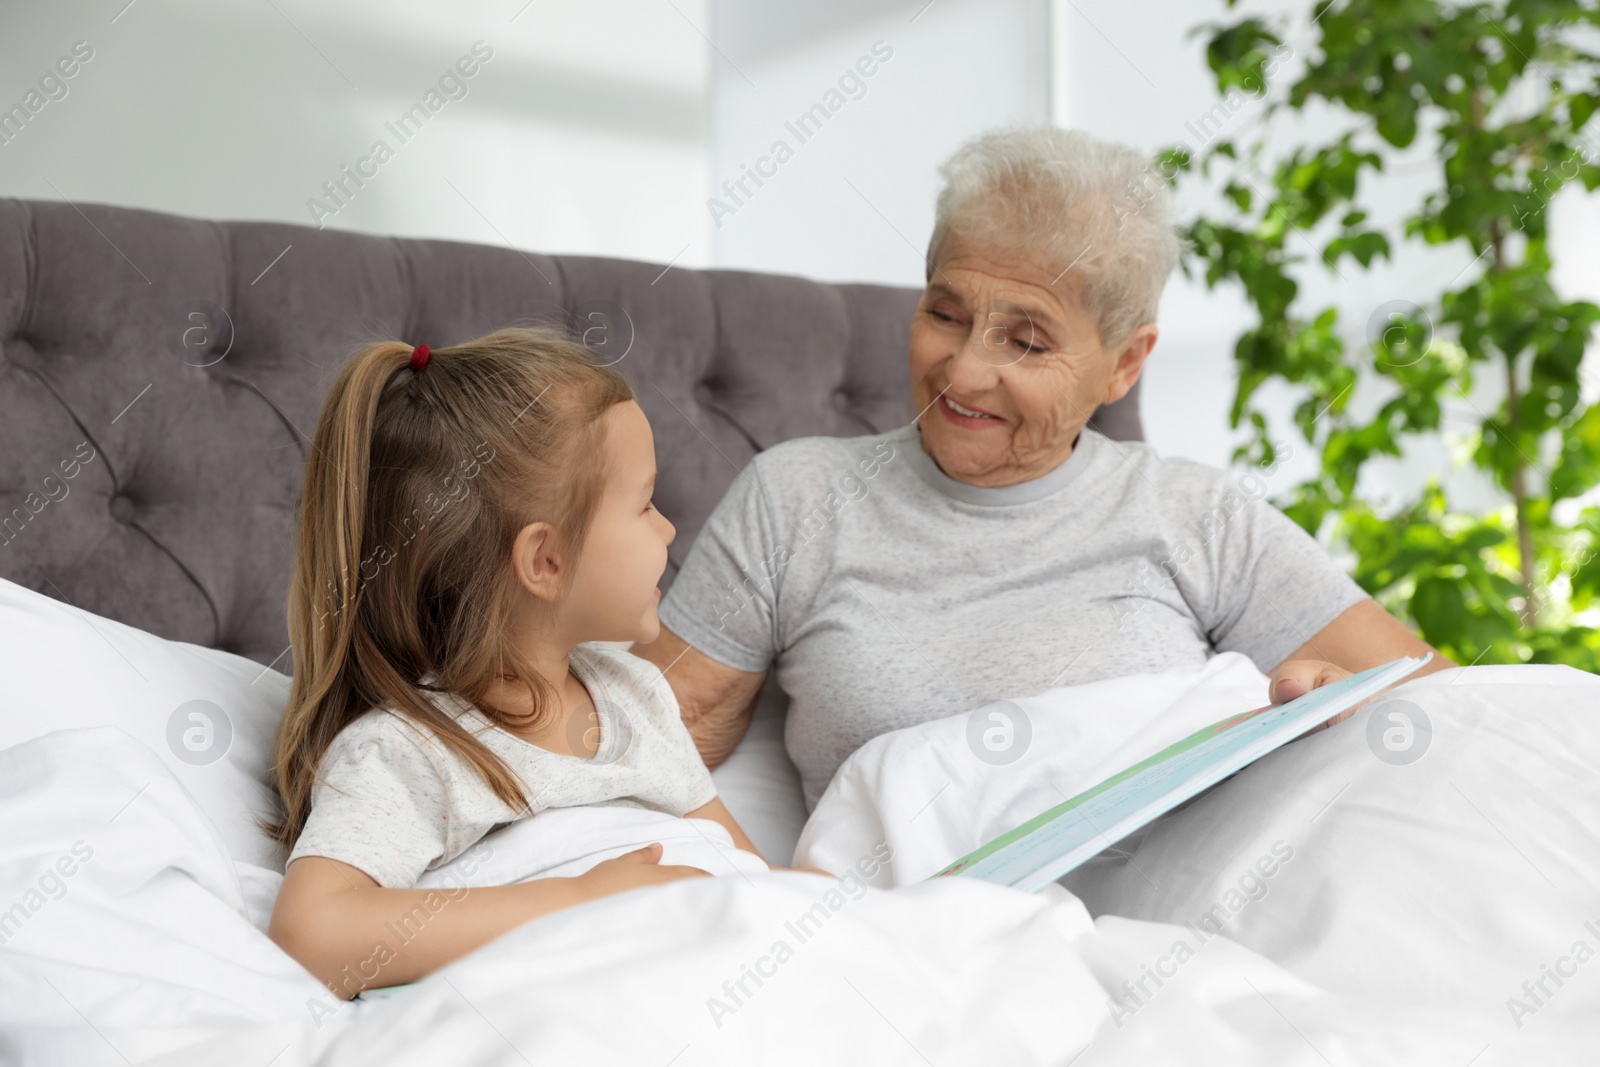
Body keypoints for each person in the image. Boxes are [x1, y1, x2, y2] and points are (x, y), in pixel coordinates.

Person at [633, 126, 1453, 812]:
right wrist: (760, 891)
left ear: (1125, 364)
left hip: (1167, 935)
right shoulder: (797, 497)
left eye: (1025, 341)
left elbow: (1443, 705)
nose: (960, 372)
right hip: (908, 948)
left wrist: (1332, 701)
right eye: (944, 314)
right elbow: (645, 740)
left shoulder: (1196, 514)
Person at [266, 328, 806, 1000]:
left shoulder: (636, 693)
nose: (668, 529)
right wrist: (583, 898)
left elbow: (744, 871)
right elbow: (312, 934)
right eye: (644, 504)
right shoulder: (408, 750)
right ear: (545, 562)